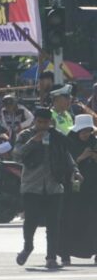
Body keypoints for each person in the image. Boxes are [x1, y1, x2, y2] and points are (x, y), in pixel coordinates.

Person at [13, 108, 83, 269]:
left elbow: (66, 155)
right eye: (40, 122)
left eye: (46, 122)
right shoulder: (25, 136)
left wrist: (75, 171)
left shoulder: (56, 137)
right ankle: (28, 247)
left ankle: (51, 257)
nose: (43, 126)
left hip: (54, 186)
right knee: (30, 222)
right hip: (32, 186)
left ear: (50, 122)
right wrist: (34, 141)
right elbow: (17, 154)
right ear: (34, 121)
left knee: (54, 224)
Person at [60, 114, 97, 265]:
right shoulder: (68, 143)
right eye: (83, 132)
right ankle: (65, 253)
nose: (86, 135)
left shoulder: (93, 142)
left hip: (92, 190)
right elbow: (64, 164)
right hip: (73, 192)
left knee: (93, 222)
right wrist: (82, 157)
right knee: (69, 220)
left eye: (88, 131)